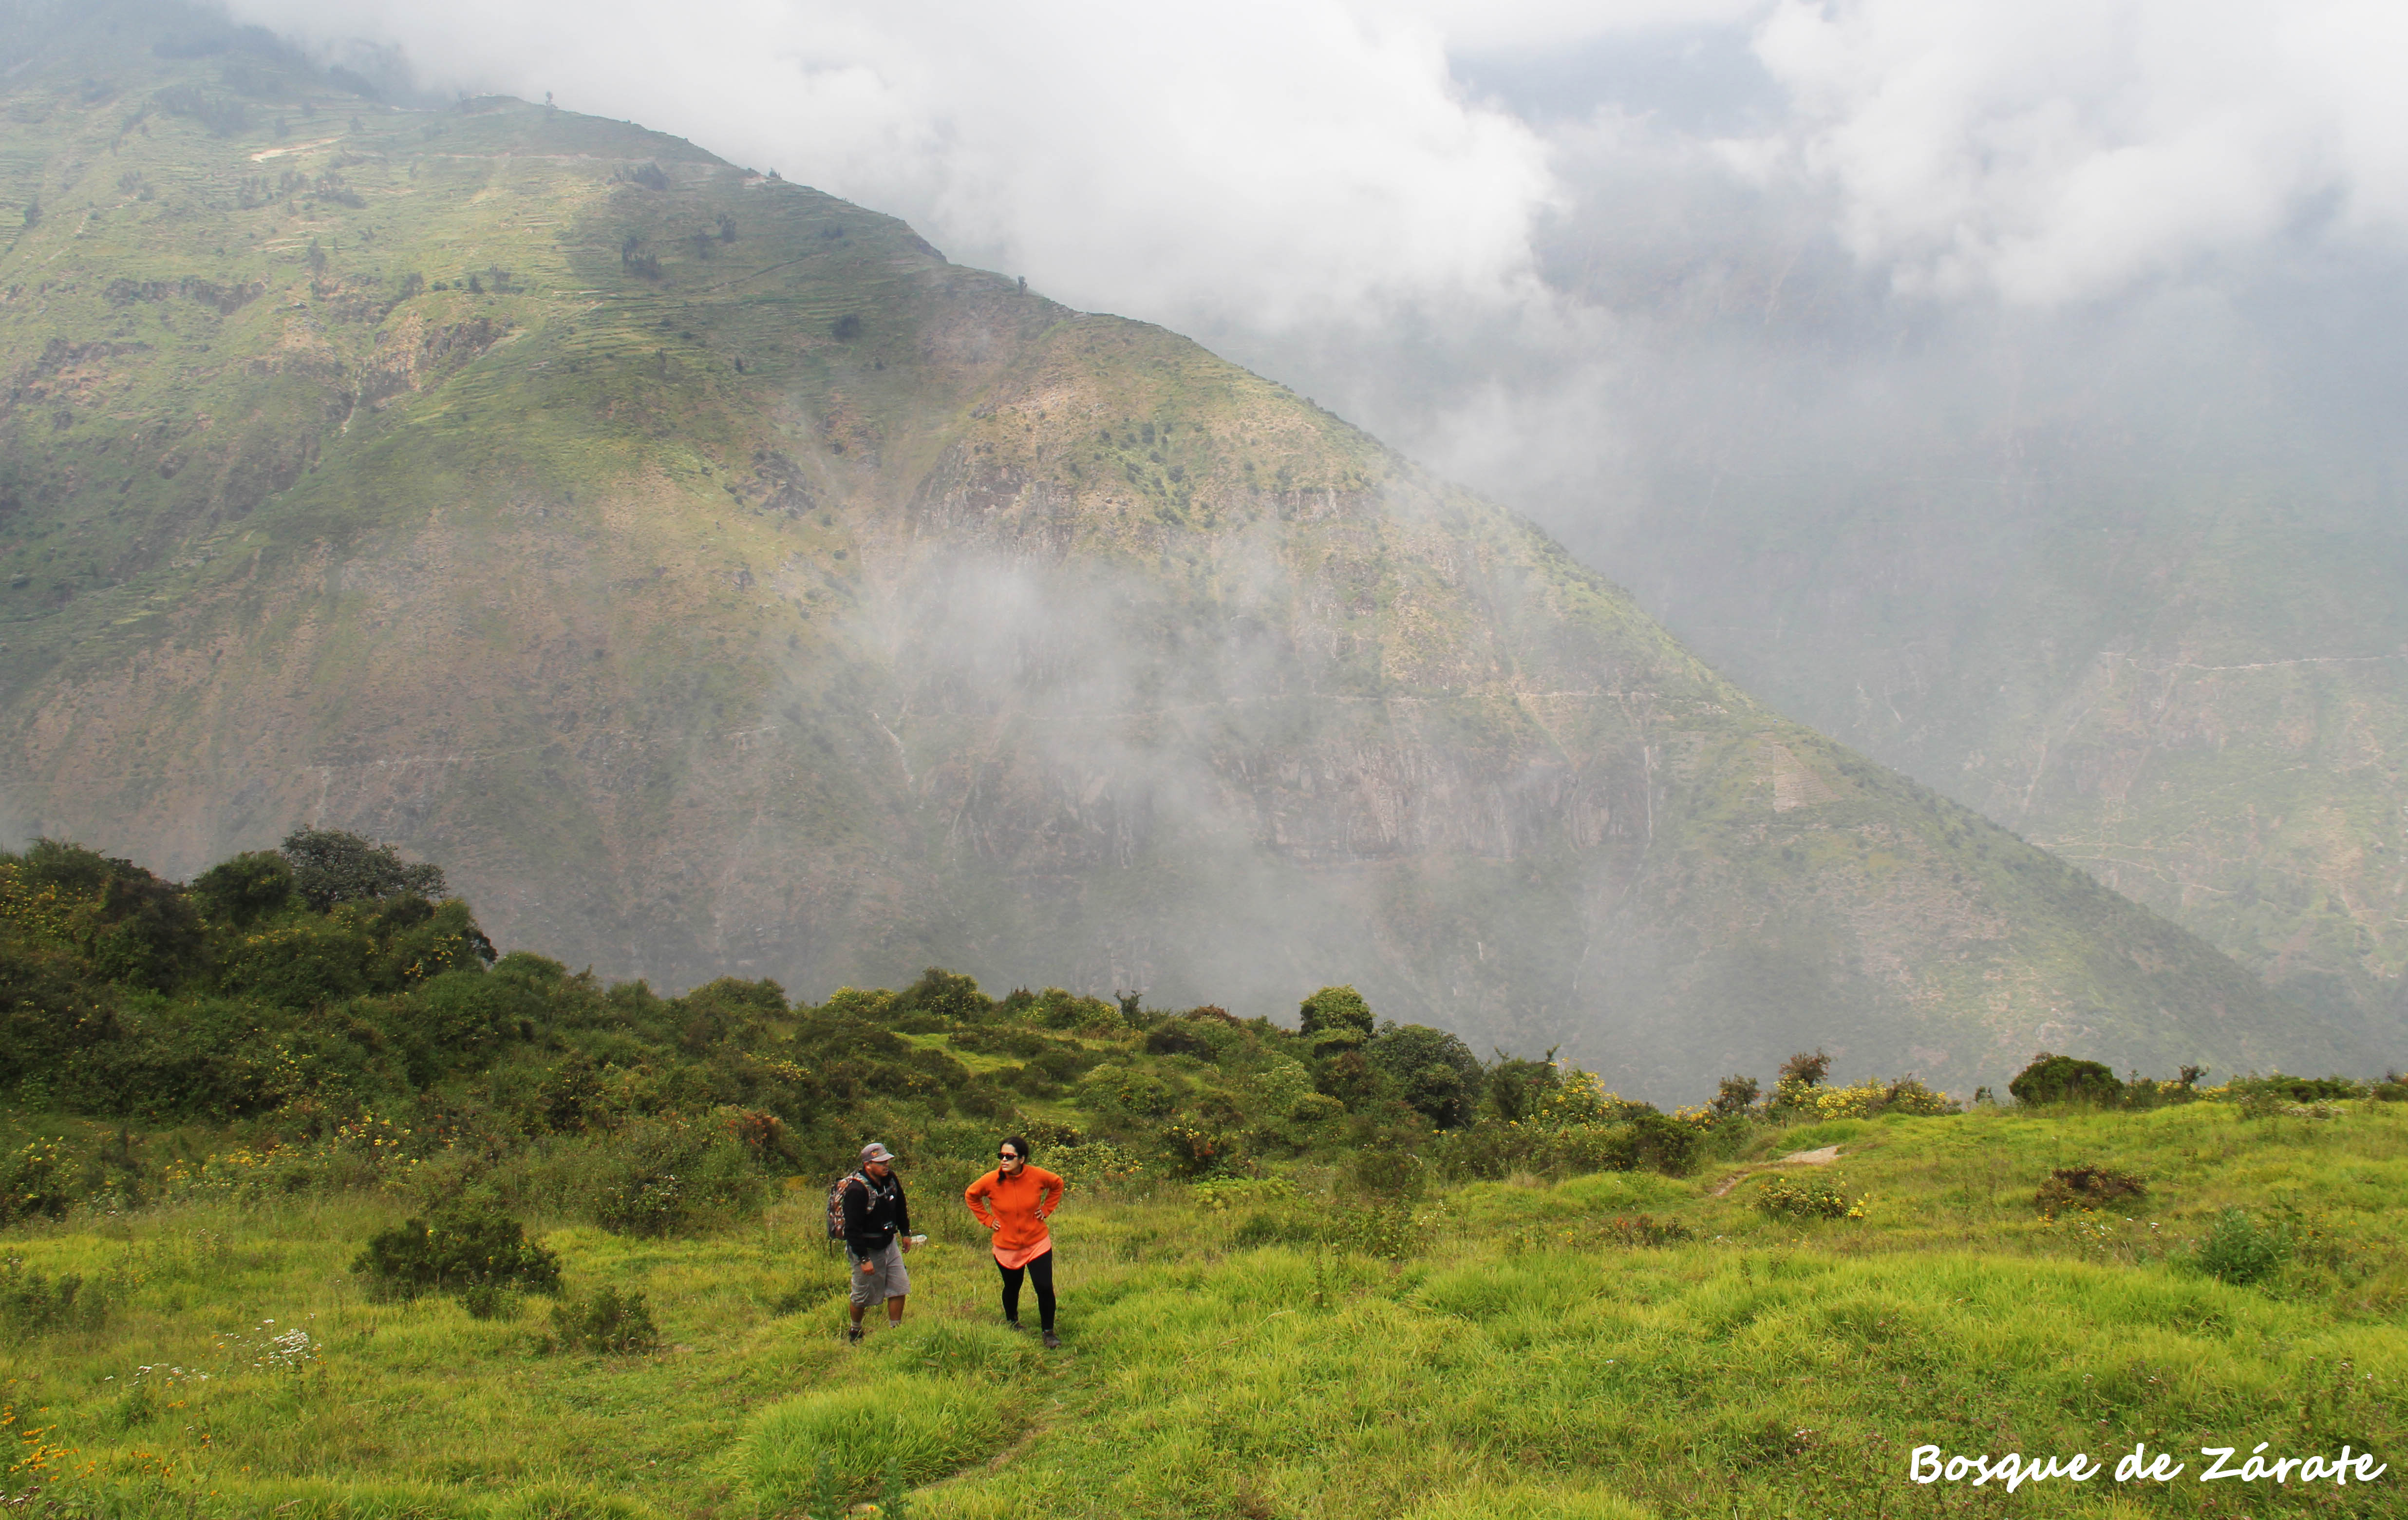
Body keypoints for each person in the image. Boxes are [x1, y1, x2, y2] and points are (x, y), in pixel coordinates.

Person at [963, 1135, 1066, 1348]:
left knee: (1044, 1287)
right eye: (1001, 1155)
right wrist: (988, 1219)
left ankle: (1048, 1332)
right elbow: (971, 1195)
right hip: (1006, 1245)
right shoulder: (991, 1180)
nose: (1004, 1160)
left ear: (1022, 1159)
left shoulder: (1037, 1176)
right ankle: (1012, 1322)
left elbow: (1057, 1184)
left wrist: (1046, 1209)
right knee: (1012, 1286)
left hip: (1037, 1242)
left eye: (1009, 1156)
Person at [840, 1141, 917, 1342]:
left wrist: (905, 1232)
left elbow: (901, 1205)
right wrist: (864, 1259)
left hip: (889, 1243)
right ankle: (855, 1331)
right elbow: (852, 1230)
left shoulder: (890, 1179)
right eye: (881, 1162)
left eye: (887, 1161)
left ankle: (896, 1332)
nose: (886, 1165)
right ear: (868, 1165)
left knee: (900, 1287)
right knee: (862, 1295)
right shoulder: (857, 1191)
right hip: (867, 1247)